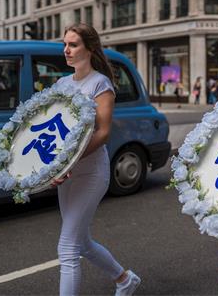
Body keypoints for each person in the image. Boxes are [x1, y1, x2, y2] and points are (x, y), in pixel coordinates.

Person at [53, 23, 141, 296]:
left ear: (89, 49)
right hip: (67, 173)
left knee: (67, 248)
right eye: (65, 44)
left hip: (91, 172)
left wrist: (68, 162)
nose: (67, 50)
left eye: (74, 44)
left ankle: (125, 280)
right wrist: (52, 166)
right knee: (82, 242)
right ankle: (125, 279)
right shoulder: (61, 83)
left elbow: (102, 133)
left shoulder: (100, 84)